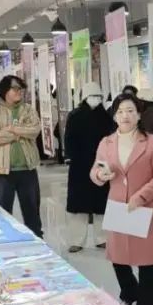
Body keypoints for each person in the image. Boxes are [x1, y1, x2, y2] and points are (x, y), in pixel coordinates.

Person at [91, 93, 153, 305]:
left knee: (147, 262)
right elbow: (95, 170)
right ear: (114, 116)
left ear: (138, 115)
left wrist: (142, 195)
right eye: (120, 111)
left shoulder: (152, 142)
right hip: (118, 206)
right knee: (118, 257)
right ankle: (129, 291)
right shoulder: (106, 143)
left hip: (145, 207)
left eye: (130, 111)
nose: (125, 116)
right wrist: (100, 175)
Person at [0, 75, 44, 237]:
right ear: (5, 91)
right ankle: (4, 240)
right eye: (15, 88)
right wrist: (19, 134)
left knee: (32, 211)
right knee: (3, 211)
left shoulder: (28, 109)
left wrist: (13, 129)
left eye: (20, 88)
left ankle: (37, 240)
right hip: (2, 171)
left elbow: (34, 130)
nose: (19, 91)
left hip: (27, 169)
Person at [64, 83, 115, 253]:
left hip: (102, 164)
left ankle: (103, 239)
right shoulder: (75, 116)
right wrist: (70, 156)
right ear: (85, 97)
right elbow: (69, 138)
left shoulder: (106, 117)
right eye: (92, 96)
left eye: (98, 96)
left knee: (102, 204)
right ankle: (76, 240)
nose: (96, 99)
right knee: (78, 206)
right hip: (80, 165)